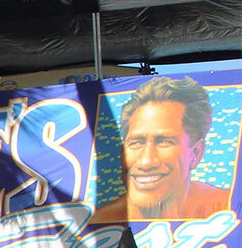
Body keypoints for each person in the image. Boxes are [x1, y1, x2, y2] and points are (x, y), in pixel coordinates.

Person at [91, 76, 230, 222]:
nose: (146, 162)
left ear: (196, 153)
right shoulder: (98, 225)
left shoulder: (226, 209)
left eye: (164, 141)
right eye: (136, 142)